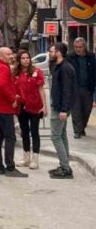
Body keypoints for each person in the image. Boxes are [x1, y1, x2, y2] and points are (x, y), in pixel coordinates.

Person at [0, 47, 27, 177]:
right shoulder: (3, 68)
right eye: (8, 54)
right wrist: (12, 98)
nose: (12, 56)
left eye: (12, 53)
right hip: (2, 108)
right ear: (1, 56)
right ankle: (10, 168)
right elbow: (2, 85)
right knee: (10, 137)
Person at [14, 50, 47, 170]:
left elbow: (41, 89)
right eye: (23, 58)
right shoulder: (15, 73)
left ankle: (35, 159)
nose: (25, 60)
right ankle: (26, 157)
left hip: (35, 106)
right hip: (22, 106)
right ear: (19, 60)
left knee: (34, 132)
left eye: (27, 57)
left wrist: (44, 106)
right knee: (24, 132)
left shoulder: (36, 72)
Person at [49, 42, 75, 179]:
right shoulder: (60, 66)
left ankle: (65, 168)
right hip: (60, 106)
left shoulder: (65, 68)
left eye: (52, 51)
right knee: (62, 135)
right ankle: (65, 165)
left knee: (55, 136)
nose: (50, 53)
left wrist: (63, 109)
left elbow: (67, 90)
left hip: (60, 107)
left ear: (58, 52)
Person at [66, 37, 96, 138]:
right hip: (75, 89)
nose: (78, 49)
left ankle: (82, 127)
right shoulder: (70, 57)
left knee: (87, 110)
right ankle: (77, 131)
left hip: (88, 88)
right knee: (76, 111)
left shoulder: (91, 56)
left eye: (80, 47)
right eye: (76, 47)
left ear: (85, 47)